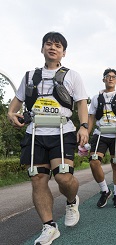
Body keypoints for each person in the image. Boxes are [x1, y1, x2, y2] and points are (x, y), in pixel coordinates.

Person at [7, 32, 89, 245]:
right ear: (42, 48)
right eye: (49, 44)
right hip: (35, 133)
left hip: (63, 132)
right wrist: (11, 115)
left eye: (58, 45)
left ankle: (72, 201)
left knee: (63, 177)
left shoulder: (72, 76)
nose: (53, 47)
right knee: (37, 178)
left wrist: (84, 127)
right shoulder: (29, 76)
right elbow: (15, 105)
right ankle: (49, 226)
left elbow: (81, 103)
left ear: (64, 52)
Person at [87, 68, 116, 208]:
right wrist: (85, 134)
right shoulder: (96, 98)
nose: (110, 78)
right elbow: (91, 117)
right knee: (94, 161)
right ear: (104, 79)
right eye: (108, 76)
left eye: (113, 77)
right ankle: (105, 190)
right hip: (100, 134)